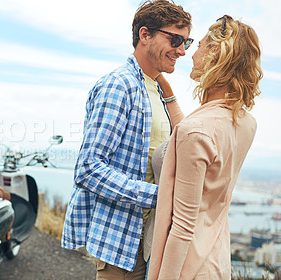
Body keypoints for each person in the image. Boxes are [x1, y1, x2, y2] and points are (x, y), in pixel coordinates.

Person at [61, 0, 192, 279]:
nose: (181, 50)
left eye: (187, 42)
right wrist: (161, 196)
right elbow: (89, 169)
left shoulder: (155, 88)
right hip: (122, 244)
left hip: (151, 241)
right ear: (145, 35)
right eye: (176, 39)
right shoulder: (118, 85)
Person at [146, 15, 263, 280]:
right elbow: (187, 138)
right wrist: (169, 95)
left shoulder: (196, 131)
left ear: (214, 54)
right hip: (214, 260)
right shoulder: (245, 122)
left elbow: (183, 226)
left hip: (183, 269)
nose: (190, 54)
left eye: (198, 46)